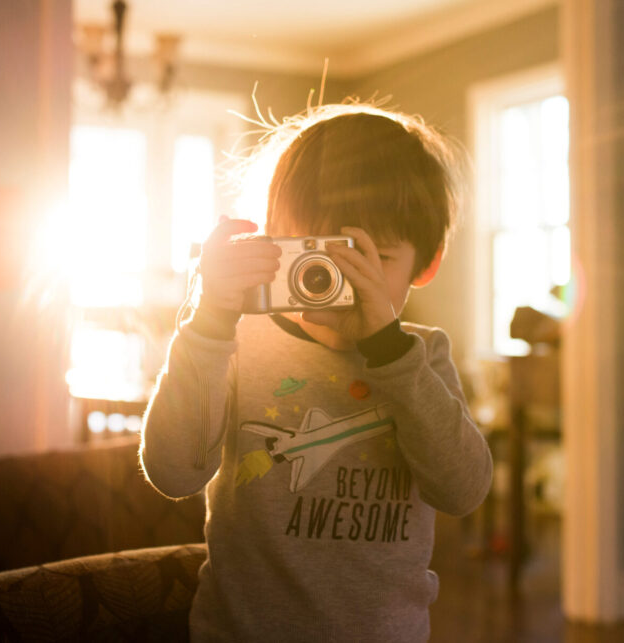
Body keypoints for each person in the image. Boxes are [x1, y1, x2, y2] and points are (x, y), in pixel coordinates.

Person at [139, 103, 493, 642]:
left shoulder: (421, 357)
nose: (335, 280)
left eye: (371, 260)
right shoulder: (233, 343)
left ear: (428, 263)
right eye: (316, 254)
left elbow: (463, 491)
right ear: (271, 242)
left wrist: (390, 352)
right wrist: (208, 323)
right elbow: (173, 473)